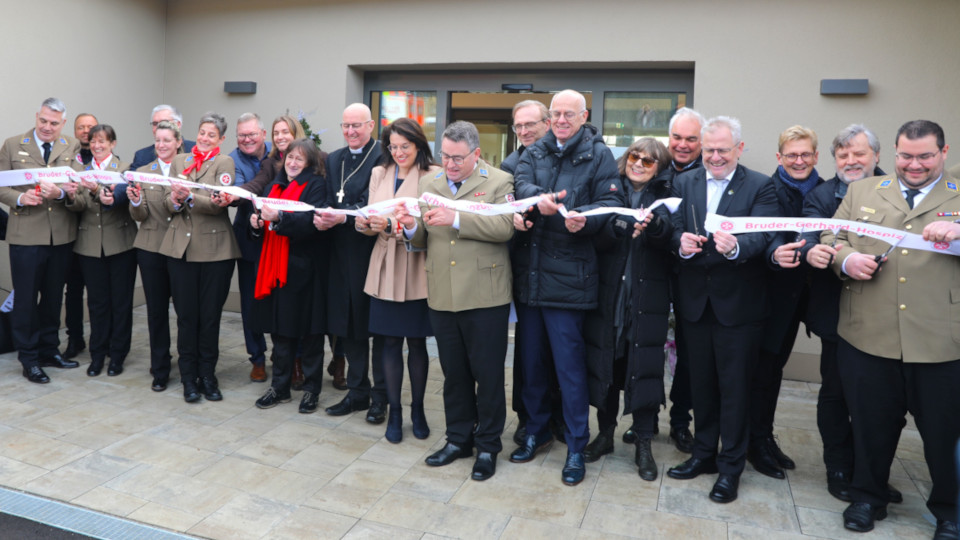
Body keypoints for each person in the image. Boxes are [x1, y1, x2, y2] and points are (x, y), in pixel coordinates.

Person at [819, 120, 959, 538]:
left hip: (940, 338)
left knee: (942, 430)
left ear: (943, 152)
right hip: (869, 333)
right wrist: (844, 259)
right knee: (870, 422)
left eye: (924, 156)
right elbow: (833, 232)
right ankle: (867, 496)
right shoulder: (863, 190)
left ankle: (950, 510)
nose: (913, 165)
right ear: (893, 153)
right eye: (905, 156)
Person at [510, 89, 624, 486]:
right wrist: (534, 200)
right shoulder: (535, 150)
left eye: (568, 114)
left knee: (571, 371)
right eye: (555, 113)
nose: (561, 120)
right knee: (533, 365)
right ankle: (537, 431)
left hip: (570, 279)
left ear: (583, 115)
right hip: (532, 277)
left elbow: (611, 201)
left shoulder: (599, 154)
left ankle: (577, 445)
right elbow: (519, 186)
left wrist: (586, 219)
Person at [666, 116, 778, 504]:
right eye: (709, 149)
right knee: (702, 386)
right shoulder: (684, 181)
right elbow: (675, 227)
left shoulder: (762, 185)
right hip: (695, 303)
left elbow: (765, 236)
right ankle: (703, 455)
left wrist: (735, 248)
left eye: (722, 150)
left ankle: (731, 469)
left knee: (734, 390)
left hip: (739, 308)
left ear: (739, 149)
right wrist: (682, 245)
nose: (714, 157)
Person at [395, 121, 514, 481]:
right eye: (445, 155)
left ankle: (489, 446)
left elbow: (505, 227)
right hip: (443, 294)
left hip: (484, 296)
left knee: (489, 376)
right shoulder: (429, 182)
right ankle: (459, 438)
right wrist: (410, 228)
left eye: (458, 158)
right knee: (454, 375)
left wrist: (457, 217)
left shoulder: (499, 181)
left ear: (477, 154)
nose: (449, 164)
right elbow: (422, 238)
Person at [800, 124, 901, 504]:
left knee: (882, 403)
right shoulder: (822, 194)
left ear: (876, 156)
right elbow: (812, 234)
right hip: (836, 313)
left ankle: (870, 474)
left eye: (858, 153)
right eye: (843, 155)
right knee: (837, 395)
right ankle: (839, 468)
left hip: (888, 316)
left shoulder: (898, 195)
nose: (851, 161)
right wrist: (813, 252)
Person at [582, 138, 674, 481]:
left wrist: (657, 229)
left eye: (648, 161)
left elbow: (673, 237)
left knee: (645, 367)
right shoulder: (609, 188)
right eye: (634, 156)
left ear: (659, 167)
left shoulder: (668, 195)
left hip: (647, 298)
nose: (639, 164)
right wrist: (617, 227)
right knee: (608, 362)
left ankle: (644, 444)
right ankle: (605, 435)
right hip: (610, 294)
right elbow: (593, 236)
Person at [748, 125, 824, 480]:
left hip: (803, 300)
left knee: (774, 371)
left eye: (804, 154)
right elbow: (764, 233)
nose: (798, 161)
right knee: (760, 373)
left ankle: (764, 436)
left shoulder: (826, 191)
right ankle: (754, 442)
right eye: (791, 155)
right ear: (779, 157)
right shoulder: (767, 188)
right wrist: (774, 253)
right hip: (768, 297)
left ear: (815, 157)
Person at [357, 118, 440, 443]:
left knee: (417, 343)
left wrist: (393, 222)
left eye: (405, 146)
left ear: (418, 144)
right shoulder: (379, 172)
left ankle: (417, 409)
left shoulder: (432, 174)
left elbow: (429, 220)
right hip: (384, 264)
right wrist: (365, 223)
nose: (398, 152)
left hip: (416, 262)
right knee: (388, 342)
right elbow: (366, 218)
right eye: (393, 146)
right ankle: (395, 412)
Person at [0, 97, 83, 383]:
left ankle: (50, 350)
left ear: (63, 124)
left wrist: (60, 194)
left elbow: (78, 187)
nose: (47, 127)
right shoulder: (13, 144)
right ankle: (29, 357)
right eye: (43, 121)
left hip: (60, 235)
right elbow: (1, 184)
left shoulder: (71, 146)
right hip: (26, 234)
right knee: (25, 299)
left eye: (54, 123)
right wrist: (21, 197)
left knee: (52, 297)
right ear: (37, 116)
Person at [159, 112, 239, 403]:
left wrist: (190, 196)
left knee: (209, 318)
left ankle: (208, 375)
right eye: (202, 132)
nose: (205, 139)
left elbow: (219, 204)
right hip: (180, 249)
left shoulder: (224, 162)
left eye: (211, 135)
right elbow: (168, 202)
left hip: (216, 251)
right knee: (186, 317)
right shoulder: (180, 160)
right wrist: (176, 199)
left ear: (221, 139)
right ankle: (188, 377)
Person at [315, 104, 386, 423]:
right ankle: (358, 391)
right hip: (340, 253)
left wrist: (344, 215)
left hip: (373, 250)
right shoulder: (333, 158)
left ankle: (382, 397)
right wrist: (326, 215)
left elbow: (380, 203)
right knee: (350, 325)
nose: (350, 132)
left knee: (379, 329)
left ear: (371, 125)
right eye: (345, 126)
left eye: (356, 125)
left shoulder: (383, 155)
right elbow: (332, 196)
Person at [500, 100, 565, 446]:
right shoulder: (509, 165)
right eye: (518, 126)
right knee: (528, 356)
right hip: (525, 269)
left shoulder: (563, 157)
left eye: (531, 124)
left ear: (548, 123)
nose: (524, 131)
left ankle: (556, 417)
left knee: (559, 356)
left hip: (561, 271)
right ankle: (528, 419)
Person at [251, 138, 329, 413]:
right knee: (281, 334)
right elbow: (265, 226)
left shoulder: (316, 185)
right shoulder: (275, 185)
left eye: (299, 159)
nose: (293, 163)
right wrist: (258, 223)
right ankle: (280, 387)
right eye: (289, 158)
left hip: (306, 270)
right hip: (277, 269)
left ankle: (311, 390)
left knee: (310, 334)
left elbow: (311, 223)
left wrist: (278, 217)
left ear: (309, 163)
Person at [651, 106, 706, 454]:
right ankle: (647, 418)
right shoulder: (652, 167)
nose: (682, 145)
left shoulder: (709, 177)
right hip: (653, 275)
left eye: (691, 139)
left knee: (687, 357)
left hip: (693, 279)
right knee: (649, 349)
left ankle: (680, 422)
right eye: (677, 137)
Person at [67, 124, 137, 377]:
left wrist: (98, 190)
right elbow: (79, 206)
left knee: (120, 302)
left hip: (121, 245)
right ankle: (98, 355)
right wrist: (71, 196)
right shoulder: (80, 171)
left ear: (113, 144)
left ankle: (117, 355)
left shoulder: (126, 169)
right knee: (97, 304)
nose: (97, 145)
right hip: (89, 246)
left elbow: (119, 199)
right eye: (94, 141)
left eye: (103, 141)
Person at [127, 119, 182, 392]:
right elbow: (139, 215)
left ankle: (188, 364)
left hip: (182, 249)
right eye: (158, 140)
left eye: (167, 140)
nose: (161, 145)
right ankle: (160, 368)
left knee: (184, 311)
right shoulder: (143, 172)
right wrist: (136, 201)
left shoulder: (188, 169)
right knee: (157, 312)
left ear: (178, 143)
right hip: (150, 248)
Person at [229, 113, 270, 383]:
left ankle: (289, 356)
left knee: (281, 300)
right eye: (242, 135)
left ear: (263, 134)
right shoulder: (232, 159)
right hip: (248, 238)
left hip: (282, 236)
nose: (247, 140)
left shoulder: (279, 154)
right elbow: (239, 193)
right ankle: (257, 358)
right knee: (250, 302)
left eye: (252, 134)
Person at [63, 112, 98, 360]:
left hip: (96, 238)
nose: (86, 132)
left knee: (98, 295)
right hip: (70, 236)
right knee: (73, 292)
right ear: (75, 132)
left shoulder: (107, 159)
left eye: (90, 127)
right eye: (81, 127)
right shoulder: (65, 159)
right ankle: (75, 339)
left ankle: (100, 343)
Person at [130, 105, 195, 170]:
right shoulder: (142, 156)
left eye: (164, 122)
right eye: (155, 123)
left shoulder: (194, 151)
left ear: (178, 124)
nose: (159, 127)